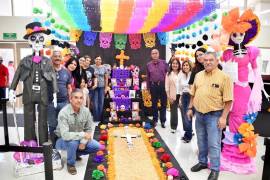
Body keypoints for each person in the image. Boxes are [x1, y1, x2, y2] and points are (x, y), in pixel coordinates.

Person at [187, 51, 233, 180]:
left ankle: (215, 168)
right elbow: (193, 93)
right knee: (201, 141)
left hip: (215, 116)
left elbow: (228, 100)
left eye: (210, 60)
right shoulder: (198, 75)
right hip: (199, 115)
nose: (207, 62)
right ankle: (202, 162)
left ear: (217, 61)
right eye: (205, 60)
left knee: (214, 143)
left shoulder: (224, 77)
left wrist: (223, 117)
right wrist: (190, 108)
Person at [55, 89, 101, 175]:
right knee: (73, 143)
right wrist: (83, 135)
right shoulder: (64, 113)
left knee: (96, 146)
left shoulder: (86, 111)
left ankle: (74, 154)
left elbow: (88, 129)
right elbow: (65, 135)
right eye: (76, 98)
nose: (79, 100)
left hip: (79, 139)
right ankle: (70, 164)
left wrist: (83, 142)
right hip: (62, 141)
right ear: (70, 99)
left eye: (81, 98)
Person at [47, 50, 72, 147]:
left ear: (61, 58)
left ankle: (62, 144)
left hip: (64, 102)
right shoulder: (47, 71)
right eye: (55, 56)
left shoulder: (66, 72)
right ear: (51, 58)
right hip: (50, 103)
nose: (57, 58)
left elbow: (69, 87)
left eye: (59, 56)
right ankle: (53, 146)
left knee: (64, 124)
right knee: (52, 125)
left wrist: (70, 101)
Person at [146, 49, 168, 128]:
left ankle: (163, 120)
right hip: (153, 86)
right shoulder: (148, 65)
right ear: (151, 55)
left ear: (158, 54)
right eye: (153, 53)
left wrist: (168, 87)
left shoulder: (164, 63)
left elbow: (168, 74)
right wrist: (148, 88)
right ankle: (155, 120)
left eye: (156, 53)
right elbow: (148, 77)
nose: (154, 55)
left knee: (163, 104)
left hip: (163, 86)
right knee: (154, 104)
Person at [165, 58, 181, 133]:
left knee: (184, 112)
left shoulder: (182, 73)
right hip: (172, 95)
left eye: (176, 63)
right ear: (171, 65)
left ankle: (188, 129)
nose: (175, 65)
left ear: (179, 65)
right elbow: (167, 86)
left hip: (181, 95)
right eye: (173, 63)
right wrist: (168, 96)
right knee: (174, 112)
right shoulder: (168, 74)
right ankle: (173, 126)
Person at [91, 55, 108, 122]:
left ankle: (100, 119)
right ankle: (96, 119)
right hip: (94, 87)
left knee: (101, 103)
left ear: (101, 61)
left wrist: (106, 87)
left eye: (99, 59)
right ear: (94, 60)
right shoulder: (92, 67)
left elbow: (106, 78)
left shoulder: (104, 68)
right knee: (95, 103)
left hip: (101, 87)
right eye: (97, 59)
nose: (98, 60)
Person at [179, 60, 192, 143]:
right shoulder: (182, 75)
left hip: (190, 96)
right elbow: (180, 88)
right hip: (184, 96)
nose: (185, 67)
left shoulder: (193, 75)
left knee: (188, 116)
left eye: (187, 65)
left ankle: (188, 136)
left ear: (190, 66)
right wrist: (180, 98)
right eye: (184, 65)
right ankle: (187, 133)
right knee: (184, 116)